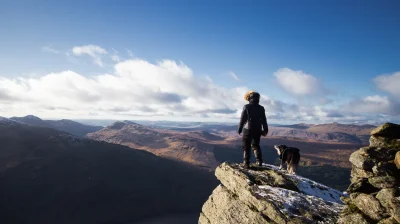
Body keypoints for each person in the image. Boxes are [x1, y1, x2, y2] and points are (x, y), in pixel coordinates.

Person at [238, 90, 268, 168]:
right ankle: (259, 161)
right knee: (256, 145)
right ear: (258, 98)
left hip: (248, 129)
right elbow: (264, 120)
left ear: (249, 98)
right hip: (258, 129)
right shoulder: (261, 108)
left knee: (246, 146)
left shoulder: (246, 107)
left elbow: (243, 119)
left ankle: (246, 163)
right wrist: (265, 130)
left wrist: (240, 128)